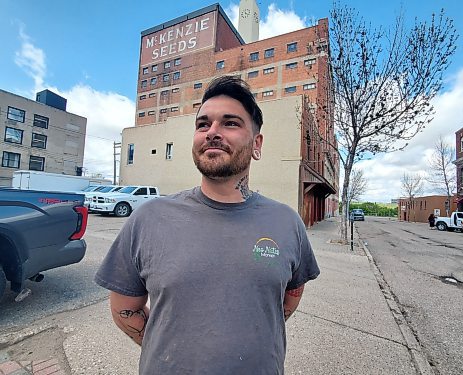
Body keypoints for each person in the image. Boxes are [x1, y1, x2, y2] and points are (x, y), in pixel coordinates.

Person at [94, 76, 320, 374]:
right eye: (203, 124)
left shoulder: (286, 221)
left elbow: (289, 299)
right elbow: (125, 309)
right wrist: (172, 348)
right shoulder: (149, 219)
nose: (212, 132)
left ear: (257, 143)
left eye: (230, 123)